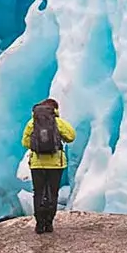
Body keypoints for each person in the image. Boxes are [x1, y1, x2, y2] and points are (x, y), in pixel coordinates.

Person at [21, 98, 75, 234]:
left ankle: (39, 224)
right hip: (56, 164)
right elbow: (71, 136)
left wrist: (38, 146)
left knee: (38, 193)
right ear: (54, 109)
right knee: (52, 193)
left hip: (37, 164)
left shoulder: (32, 122)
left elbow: (25, 142)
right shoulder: (58, 122)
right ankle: (49, 223)